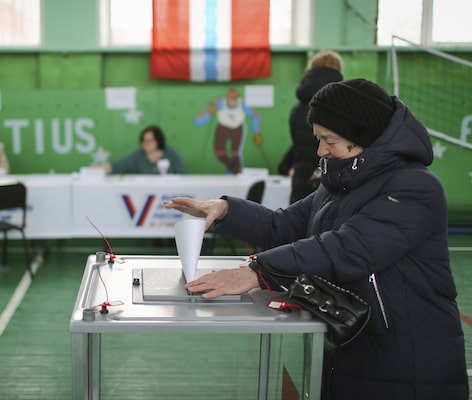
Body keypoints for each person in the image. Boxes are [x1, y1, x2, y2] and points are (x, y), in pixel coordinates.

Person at [165, 79, 469, 400]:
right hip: (352, 342)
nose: (320, 150)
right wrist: (226, 210)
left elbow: (348, 248)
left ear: (363, 137)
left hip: (407, 359)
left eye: (329, 140)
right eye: (318, 138)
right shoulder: (339, 182)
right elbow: (283, 225)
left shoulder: (414, 188)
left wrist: (258, 271)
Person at [288, 50, 344, 204]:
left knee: (297, 217)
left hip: (301, 177)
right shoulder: (341, 107)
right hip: (331, 178)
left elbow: (298, 144)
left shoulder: (296, 109)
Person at [194, 88, 261, 175]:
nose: (233, 100)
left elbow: (255, 115)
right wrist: (209, 113)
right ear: (227, 97)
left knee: (235, 153)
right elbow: (198, 121)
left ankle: (234, 173)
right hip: (223, 128)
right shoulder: (220, 103)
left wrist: (256, 133)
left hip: (237, 128)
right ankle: (233, 169)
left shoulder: (242, 104)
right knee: (219, 152)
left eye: (235, 98)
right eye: (231, 98)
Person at [95, 125, 186, 174]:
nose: (145, 144)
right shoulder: (138, 155)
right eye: (143, 140)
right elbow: (118, 166)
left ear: (158, 140)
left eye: (149, 141)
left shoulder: (170, 153)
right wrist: (98, 168)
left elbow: (182, 174)